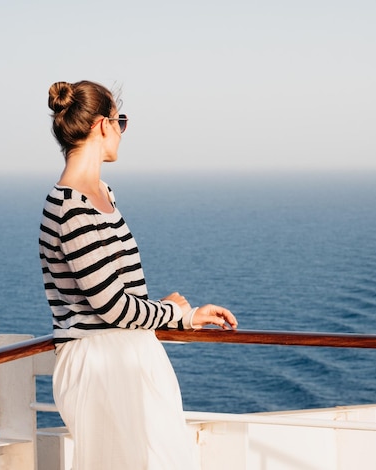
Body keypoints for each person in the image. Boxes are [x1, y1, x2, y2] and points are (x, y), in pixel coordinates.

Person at [38, 80, 237, 470]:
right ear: (101, 126)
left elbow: (117, 296)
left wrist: (161, 313)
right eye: (121, 121)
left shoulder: (103, 193)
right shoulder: (69, 206)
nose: (122, 132)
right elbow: (111, 306)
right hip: (100, 364)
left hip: (128, 354)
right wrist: (179, 315)